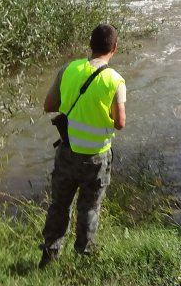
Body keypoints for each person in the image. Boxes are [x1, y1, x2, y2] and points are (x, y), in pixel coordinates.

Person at [40, 22, 127, 268]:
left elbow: (48, 105)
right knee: (89, 208)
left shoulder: (69, 68)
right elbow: (120, 123)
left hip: (67, 152)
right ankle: (83, 259)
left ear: (90, 45)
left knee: (59, 205)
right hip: (96, 157)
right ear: (115, 48)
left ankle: (49, 255)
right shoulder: (115, 81)